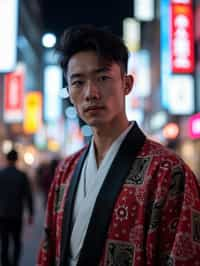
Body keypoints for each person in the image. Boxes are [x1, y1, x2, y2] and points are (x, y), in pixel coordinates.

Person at [37, 25, 200, 266]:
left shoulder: (168, 172)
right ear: (70, 93)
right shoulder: (65, 172)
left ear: (127, 84)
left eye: (103, 78)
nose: (91, 93)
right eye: (78, 82)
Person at [0, 149, 34, 266]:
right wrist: (31, 213)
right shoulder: (22, 175)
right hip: (16, 214)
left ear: (7, 159)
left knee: (4, 242)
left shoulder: (1, 174)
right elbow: (28, 196)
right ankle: (15, 263)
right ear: (17, 159)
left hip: (2, 214)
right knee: (16, 241)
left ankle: (5, 263)